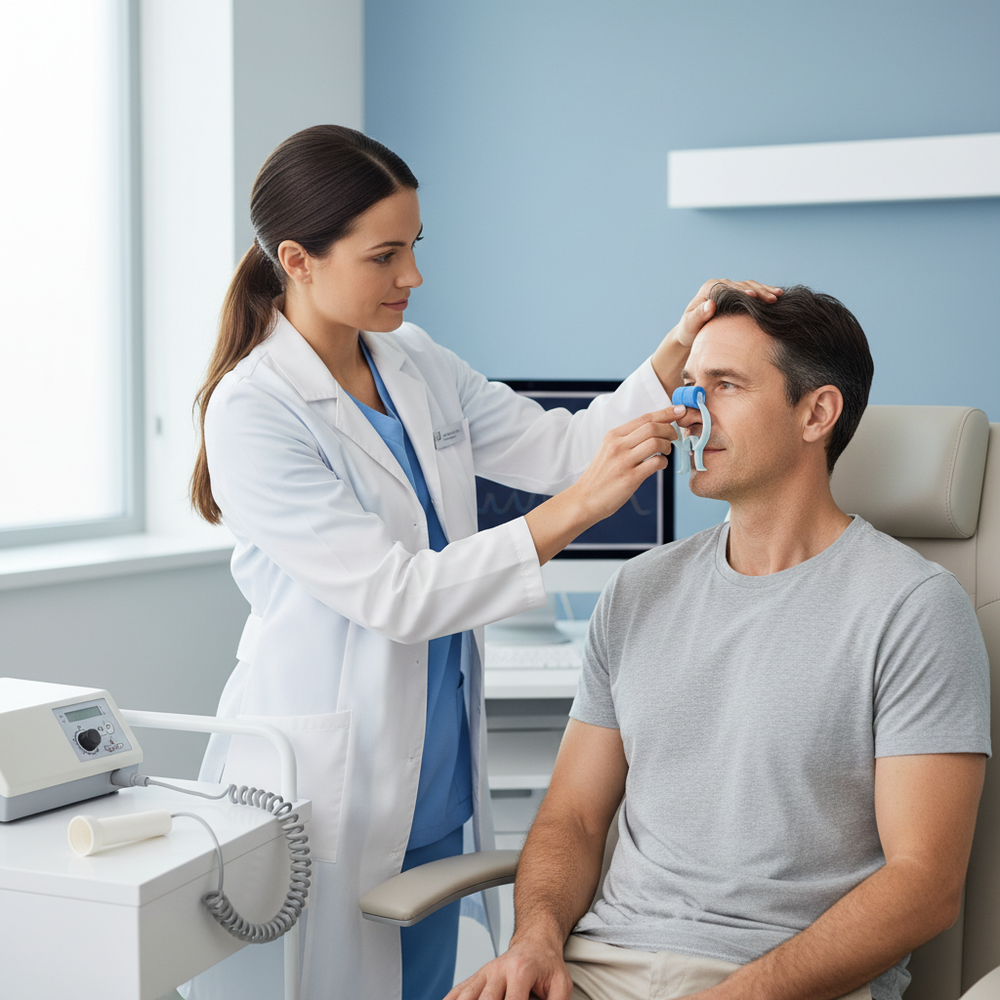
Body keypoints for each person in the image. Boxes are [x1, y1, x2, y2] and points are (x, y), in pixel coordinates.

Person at [184, 123, 780, 1000]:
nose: (413, 278)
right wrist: (577, 512)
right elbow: (397, 596)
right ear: (299, 259)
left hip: (434, 768)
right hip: (327, 777)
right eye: (385, 256)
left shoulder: (413, 361)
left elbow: (565, 444)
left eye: (416, 247)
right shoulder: (254, 410)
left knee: (424, 972)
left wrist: (677, 348)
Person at [448, 285, 991, 1000]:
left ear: (817, 413)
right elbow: (574, 815)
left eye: (725, 386)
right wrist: (535, 941)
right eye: (689, 388)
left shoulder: (913, 609)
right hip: (597, 971)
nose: (689, 414)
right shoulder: (639, 590)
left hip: (775, 985)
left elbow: (923, 885)